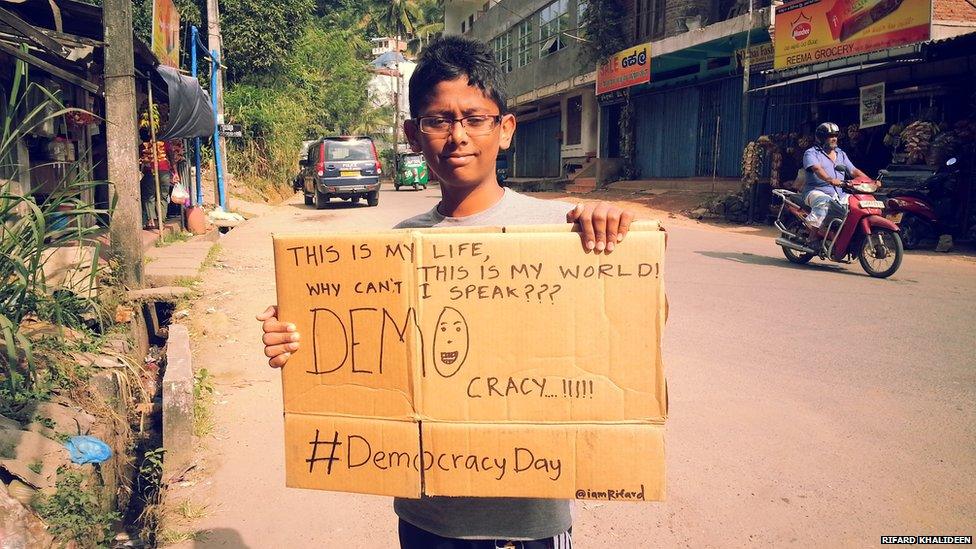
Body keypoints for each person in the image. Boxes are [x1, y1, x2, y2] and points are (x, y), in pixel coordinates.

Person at [258, 35, 640, 548]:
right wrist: (296, 341)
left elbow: (633, 335)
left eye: (475, 118)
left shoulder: (561, 233)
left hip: (526, 527)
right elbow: (362, 359)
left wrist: (612, 236)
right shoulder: (392, 252)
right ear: (413, 135)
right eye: (439, 120)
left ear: (504, 130)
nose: (458, 136)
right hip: (426, 522)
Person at [802, 122, 868, 228]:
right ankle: (812, 238)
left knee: (858, 203)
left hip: (839, 194)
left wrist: (869, 181)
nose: (834, 139)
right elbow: (817, 169)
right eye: (830, 136)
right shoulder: (811, 153)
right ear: (821, 138)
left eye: (835, 136)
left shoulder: (840, 154)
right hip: (816, 191)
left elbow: (854, 171)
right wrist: (830, 179)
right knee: (824, 202)